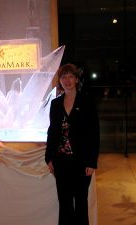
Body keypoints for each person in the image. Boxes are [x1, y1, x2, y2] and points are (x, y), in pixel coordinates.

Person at [45, 63, 100, 225]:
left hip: (82, 161)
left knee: (81, 203)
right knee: (65, 203)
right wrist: (49, 158)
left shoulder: (87, 101)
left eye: (70, 77)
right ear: (60, 80)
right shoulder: (55, 104)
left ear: (76, 79)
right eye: (63, 77)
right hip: (61, 161)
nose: (67, 80)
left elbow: (94, 133)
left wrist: (92, 161)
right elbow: (52, 132)